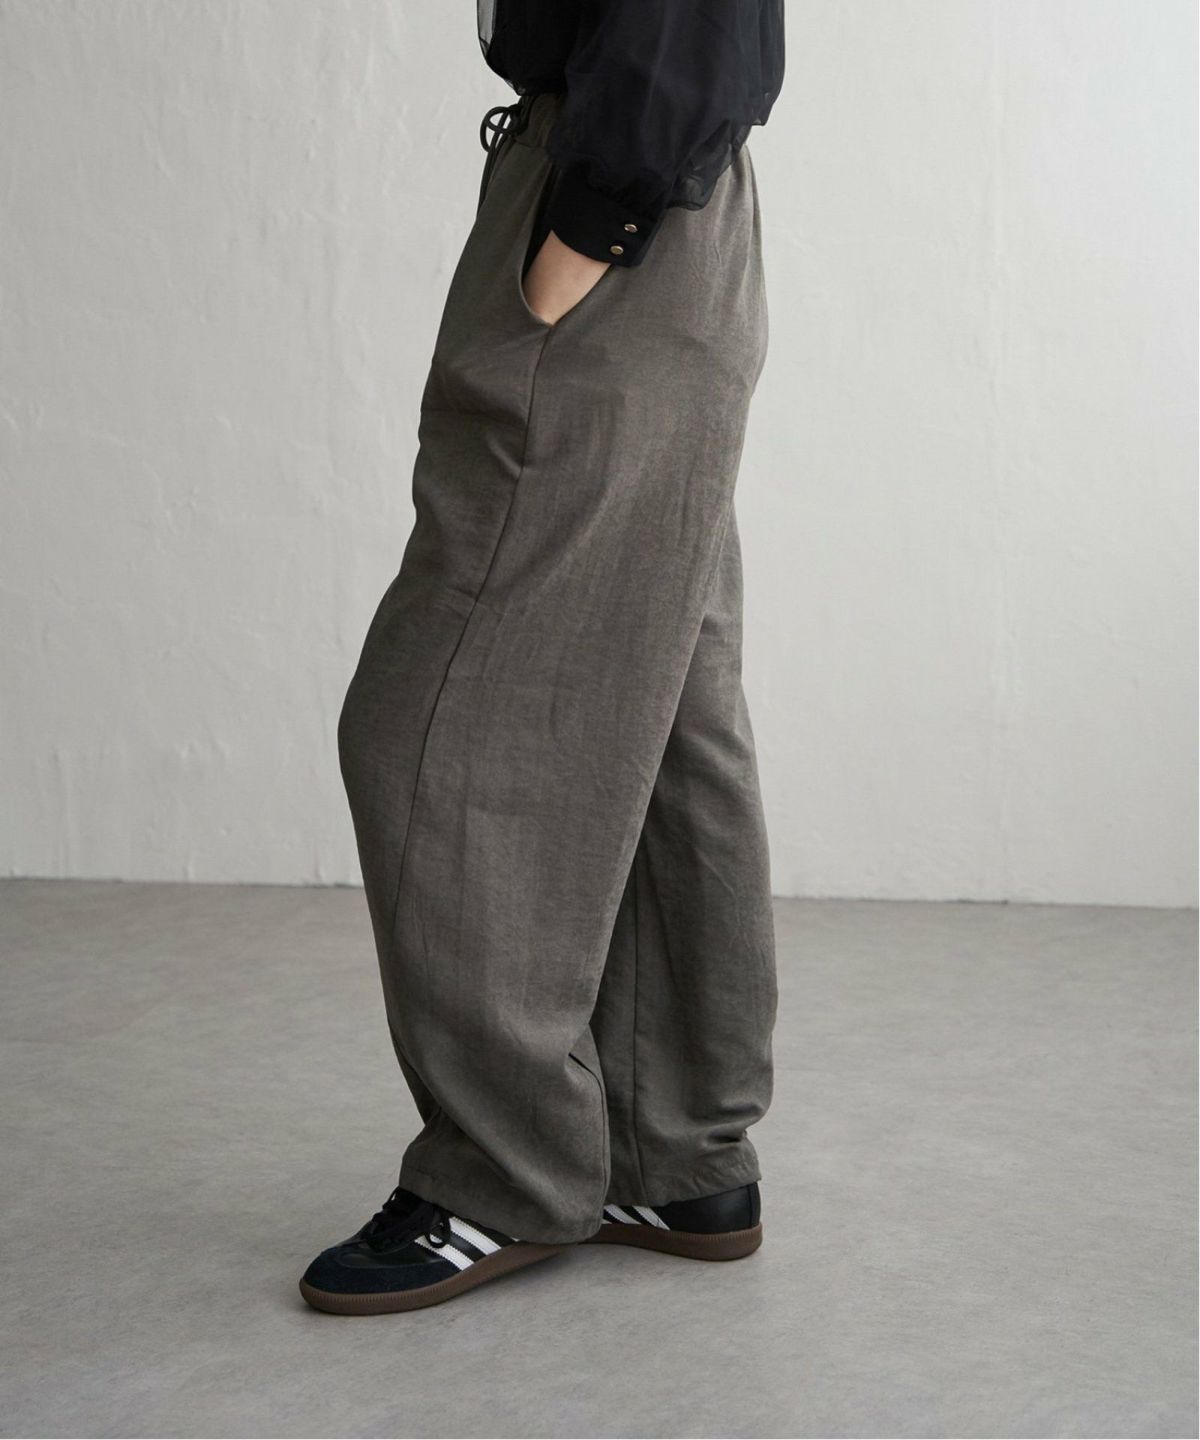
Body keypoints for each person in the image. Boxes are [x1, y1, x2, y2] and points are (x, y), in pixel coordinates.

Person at [300, 0, 786, 1315]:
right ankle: (672, 1156)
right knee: (663, 705)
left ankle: (506, 1168)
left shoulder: (611, 198)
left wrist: (577, 243)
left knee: (435, 722)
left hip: (620, 220)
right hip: (661, 220)